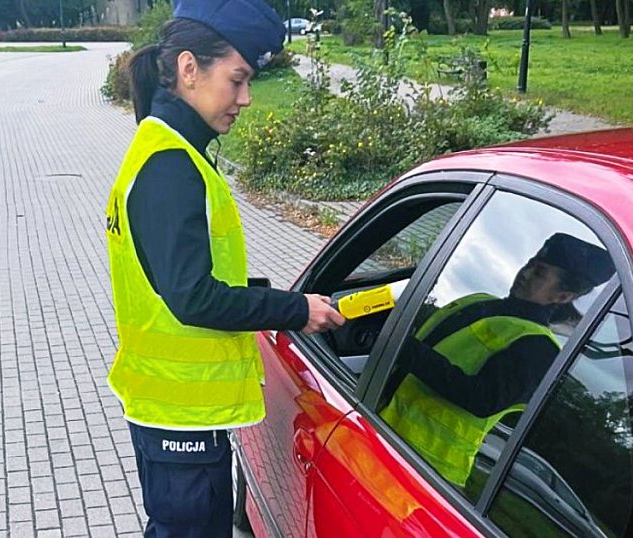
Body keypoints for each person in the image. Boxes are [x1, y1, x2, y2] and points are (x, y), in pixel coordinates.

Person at [104, 1, 346, 536]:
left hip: (177, 411)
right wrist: (293, 310)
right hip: (178, 417)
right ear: (189, 69)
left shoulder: (170, 149)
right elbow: (194, 298)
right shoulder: (171, 165)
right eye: (237, 79)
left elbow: (192, 279)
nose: (246, 97)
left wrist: (282, 299)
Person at [380, 233, 614, 487]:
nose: (525, 273)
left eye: (540, 273)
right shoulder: (479, 302)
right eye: (530, 264)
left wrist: (402, 346)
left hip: (427, 473)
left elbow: (482, 398)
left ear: (562, 297)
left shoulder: (539, 347)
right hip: (383, 432)